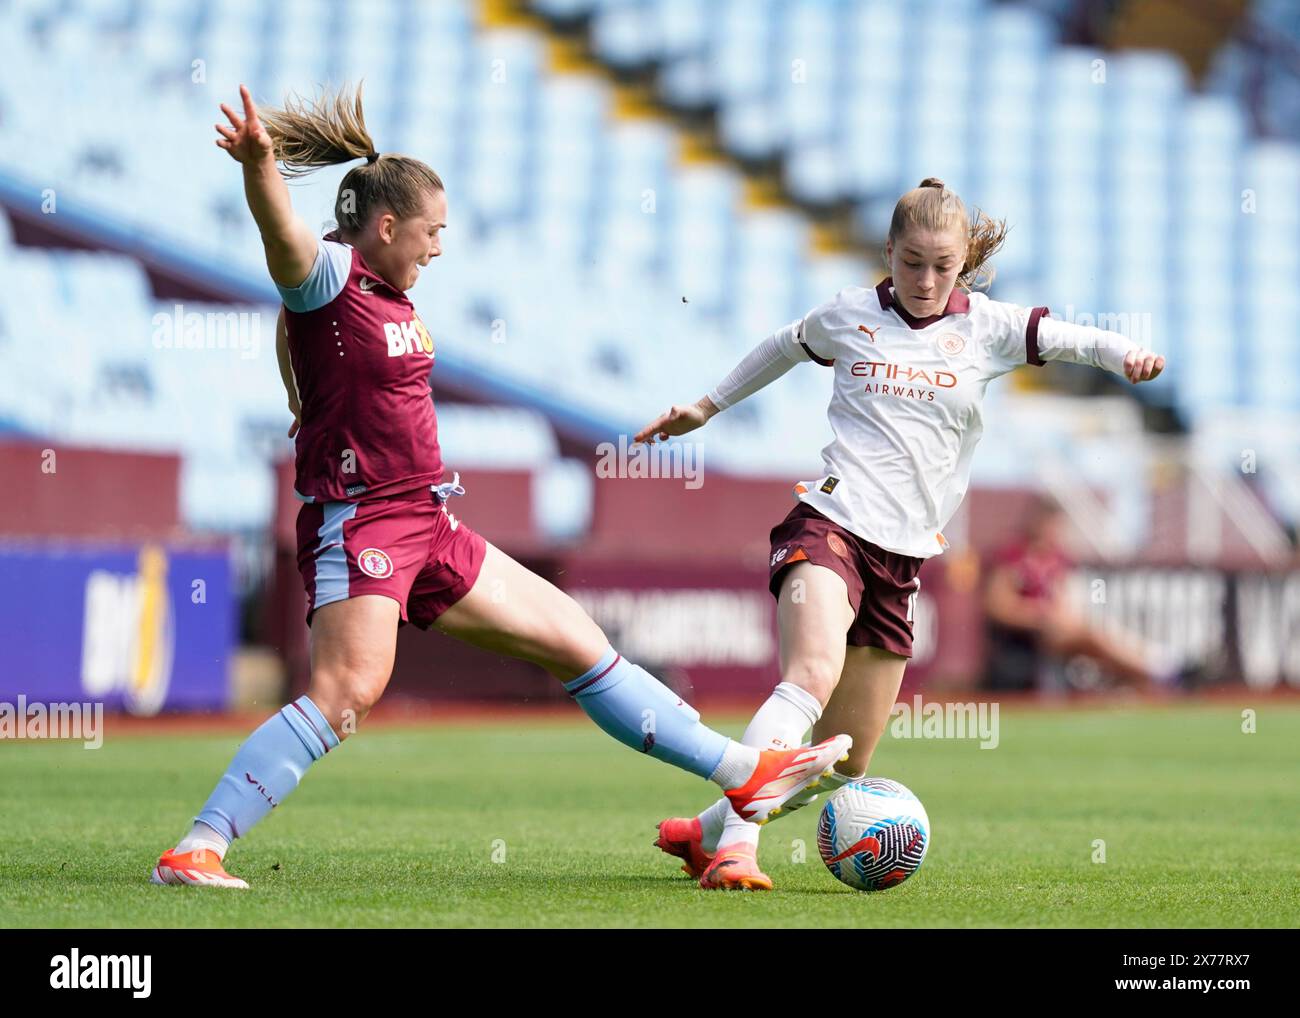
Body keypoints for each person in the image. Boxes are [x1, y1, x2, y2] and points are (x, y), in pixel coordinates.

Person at [149, 84, 850, 889]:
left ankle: (744, 773)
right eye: (431, 231)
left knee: (576, 641)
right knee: (347, 691)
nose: (439, 248)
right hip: (363, 523)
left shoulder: (383, 294)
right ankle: (197, 848)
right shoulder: (333, 276)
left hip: (427, 518)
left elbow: (298, 335)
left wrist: (297, 394)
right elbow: (285, 250)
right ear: (385, 228)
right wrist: (261, 169)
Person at [638, 177, 1166, 890]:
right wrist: (707, 406)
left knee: (847, 760)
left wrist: (1126, 353)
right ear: (887, 250)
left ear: (964, 263)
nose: (925, 279)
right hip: (829, 525)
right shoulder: (848, 316)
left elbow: (1074, 340)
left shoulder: (988, 327)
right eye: (911, 261)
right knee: (811, 675)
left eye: (942, 266)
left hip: (904, 555)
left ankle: (703, 832)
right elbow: (781, 346)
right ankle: (737, 849)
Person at [982, 494, 1175, 693]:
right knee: (1092, 638)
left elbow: (1062, 601)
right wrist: (1039, 616)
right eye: (1051, 525)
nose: (1054, 532)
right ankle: (1158, 671)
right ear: (1038, 522)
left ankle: (1149, 672)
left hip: (1056, 629)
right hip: (1028, 635)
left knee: (1097, 634)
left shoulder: (1057, 559)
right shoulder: (1014, 555)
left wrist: (1059, 616)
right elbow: (998, 606)